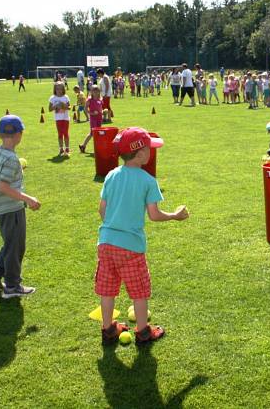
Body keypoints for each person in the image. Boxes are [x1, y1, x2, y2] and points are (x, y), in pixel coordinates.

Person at [96, 128, 189, 345]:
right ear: (140, 153)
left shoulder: (111, 175)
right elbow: (154, 215)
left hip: (106, 243)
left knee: (108, 290)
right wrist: (175, 215)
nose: (151, 152)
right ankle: (143, 332)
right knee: (139, 291)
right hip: (131, 248)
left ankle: (108, 329)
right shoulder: (147, 181)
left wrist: (113, 226)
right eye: (149, 148)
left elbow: (102, 210)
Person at [0, 115, 40, 298]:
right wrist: (28, 199)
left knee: (9, 243)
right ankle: (12, 286)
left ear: (0, 134)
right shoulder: (12, 159)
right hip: (11, 208)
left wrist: (13, 173)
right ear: (18, 134)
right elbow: (3, 186)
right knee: (16, 247)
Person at [49, 81, 71, 156]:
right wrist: (56, 106)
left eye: (60, 89)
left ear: (63, 89)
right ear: (55, 89)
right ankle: (61, 148)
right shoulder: (52, 98)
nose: (59, 90)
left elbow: (69, 107)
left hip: (65, 118)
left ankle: (67, 148)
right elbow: (49, 109)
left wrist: (63, 105)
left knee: (66, 133)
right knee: (60, 134)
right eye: (57, 89)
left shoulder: (65, 97)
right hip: (58, 119)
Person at [79, 85, 103, 153]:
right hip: (93, 119)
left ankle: (83, 146)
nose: (96, 93)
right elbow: (85, 109)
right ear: (91, 92)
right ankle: (95, 148)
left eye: (97, 91)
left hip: (99, 118)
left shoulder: (100, 99)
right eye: (94, 92)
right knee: (93, 133)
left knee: (97, 133)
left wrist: (102, 112)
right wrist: (92, 113)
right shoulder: (89, 99)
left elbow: (100, 108)